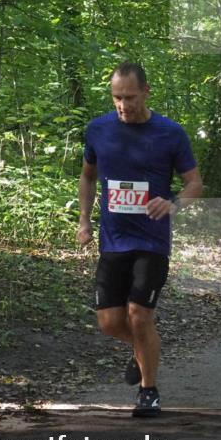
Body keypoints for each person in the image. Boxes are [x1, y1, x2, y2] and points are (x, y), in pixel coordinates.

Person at [77, 62, 203, 417]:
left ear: (146, 92)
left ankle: (148, 391)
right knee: (109, 322)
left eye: (130, 97)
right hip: (113, 240)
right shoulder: (98, 130)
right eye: (117, 97)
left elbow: (195, 183)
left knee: (139, 314)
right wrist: (84, 220)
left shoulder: (170, 133)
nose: (123, 105)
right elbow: (87, 177)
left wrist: (173, 202)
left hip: (151, 241)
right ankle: (143, 351)